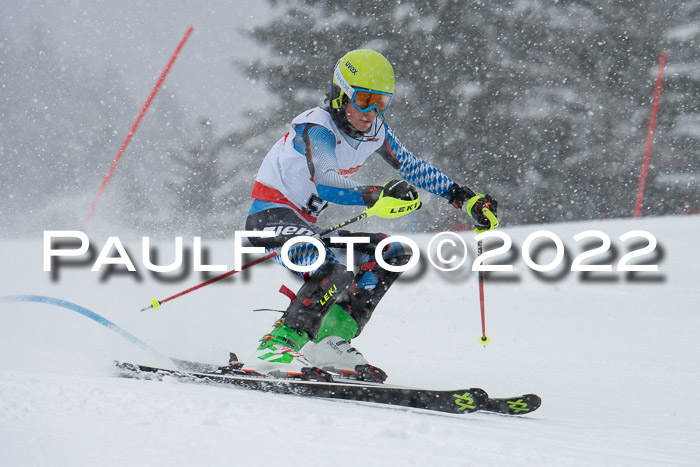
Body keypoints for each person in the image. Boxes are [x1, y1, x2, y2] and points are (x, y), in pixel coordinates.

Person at [240, 49, 498, 382]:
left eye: (381, 102)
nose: (371, 111)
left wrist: (464, 199)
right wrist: (374, 195)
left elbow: (412, 166)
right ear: (339, 95)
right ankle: (275, 347)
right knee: (334, 267)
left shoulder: (376, 130)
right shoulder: (316, 128)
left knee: (390, 252)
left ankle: (328, 340)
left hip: (306, 226)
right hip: (271, 220)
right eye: (363, 99)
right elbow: (327, 180)